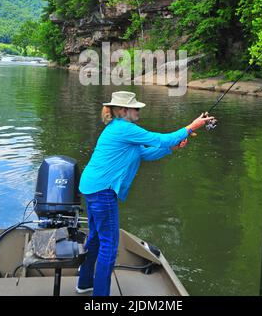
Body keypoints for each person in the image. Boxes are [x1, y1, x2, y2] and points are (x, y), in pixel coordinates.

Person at [77, 91, 215, 296]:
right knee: (109, 246)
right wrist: (191, 127)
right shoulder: (124, 128)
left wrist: (172, 147)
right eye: (136, 108)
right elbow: (160, 139)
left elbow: (144, 153)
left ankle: (84, 283)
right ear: (124, 111)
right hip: (102, 191)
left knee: (96, 238)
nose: (139, 110)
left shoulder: (119, 129)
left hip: (92, 187)